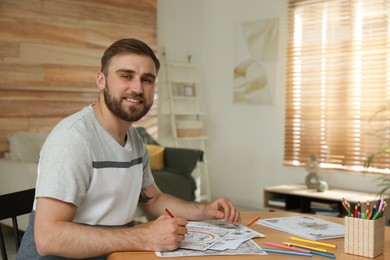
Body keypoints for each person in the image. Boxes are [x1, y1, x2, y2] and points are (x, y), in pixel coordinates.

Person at [17, 38, 241, 259]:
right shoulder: (73, 139)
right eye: (126, 76)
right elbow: (48, 238)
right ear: (101, 80)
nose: (137, 88)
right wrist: (144, 237)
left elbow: (152, 200)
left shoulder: (134, 140)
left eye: (147, 79)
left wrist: (205, 211)